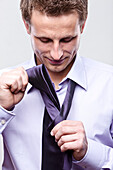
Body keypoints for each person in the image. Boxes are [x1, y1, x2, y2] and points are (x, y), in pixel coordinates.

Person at [0, 0, 113, 169]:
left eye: (67, 39)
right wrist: (1, 109)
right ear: (27, 25)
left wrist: (89, 152)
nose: (56, 53)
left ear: (82, 25)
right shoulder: (2, 85)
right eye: (44, 40)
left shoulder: (109, 83)